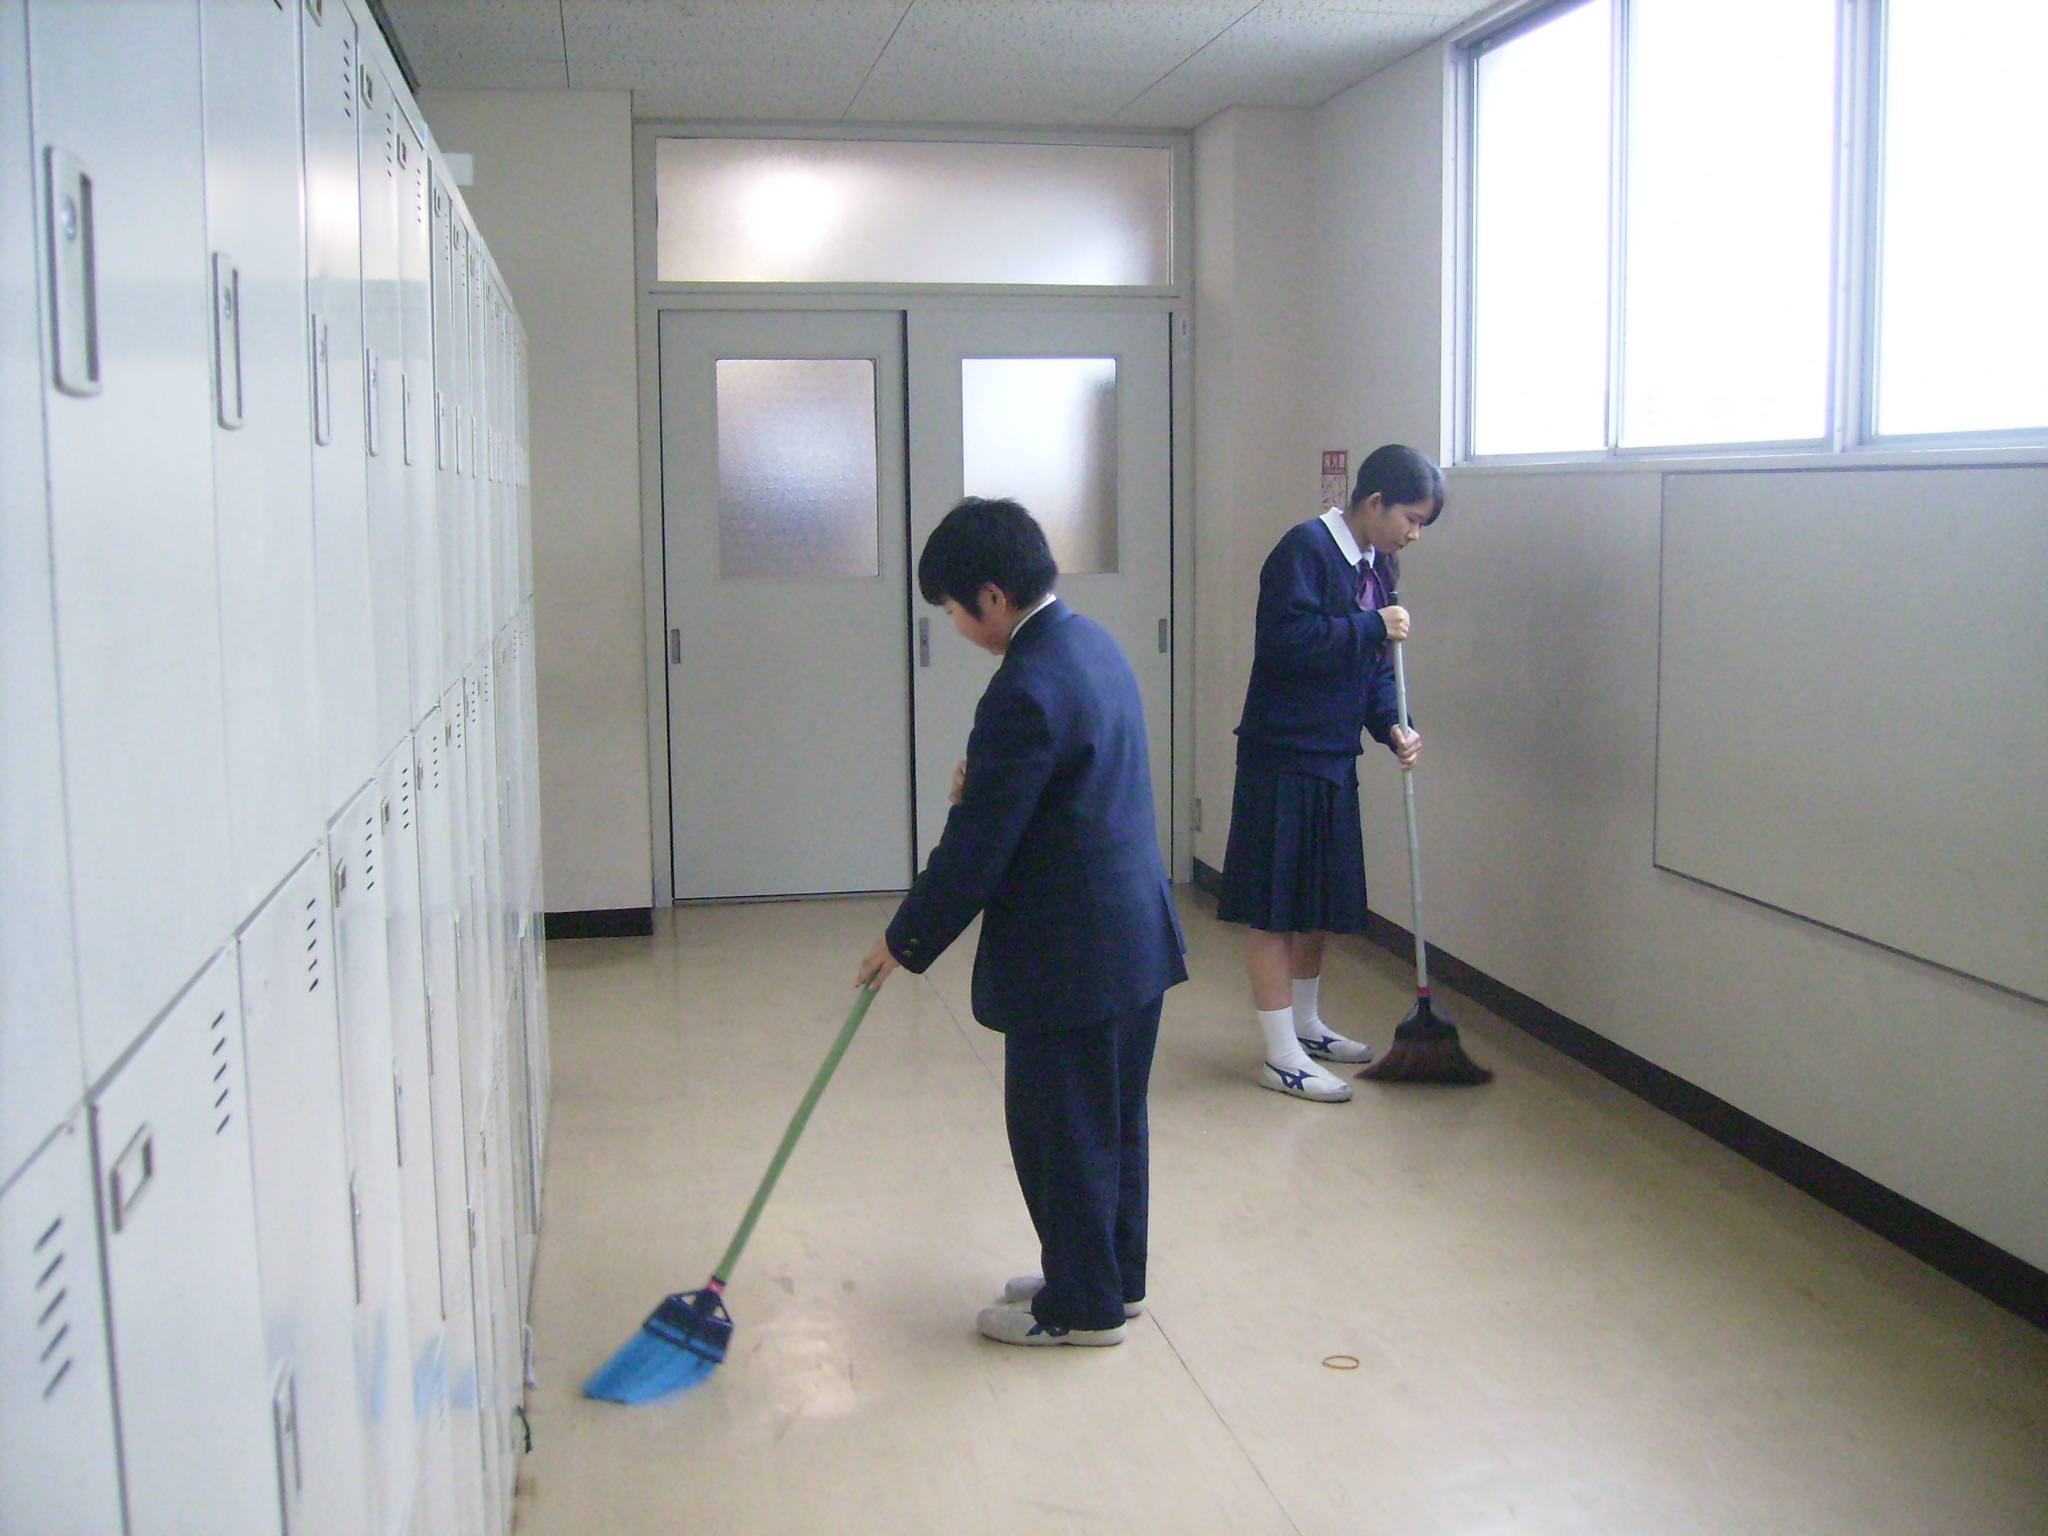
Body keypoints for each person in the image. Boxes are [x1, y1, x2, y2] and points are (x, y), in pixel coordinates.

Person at [859, 497, 1186, 1347]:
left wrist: (904, 938)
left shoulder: (1023, 690)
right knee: (1113, 1118)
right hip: (1133, 937)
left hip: (1070, 954)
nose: (958, 626)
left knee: (1060, 1131)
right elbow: (1058, 798)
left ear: (992, 596)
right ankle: (1111, 1276)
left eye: (955, 610)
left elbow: (977, 851)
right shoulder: (1092, 645)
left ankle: (1081, 1309)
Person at [1216, 444, 1443, 1103]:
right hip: (1281, 754)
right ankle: (1279, 1053)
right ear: (1374, 502)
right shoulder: (1305, 550)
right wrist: (1370, 625)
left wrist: (1393, 723)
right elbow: (1288, 644)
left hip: (1331, 757)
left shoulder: (1377, 565)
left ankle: (1308, 1026)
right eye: (1411, 517)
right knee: (1274, 909)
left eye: (1423, 522)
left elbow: (1372, 668)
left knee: (1316, 902)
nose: (1414, 533)